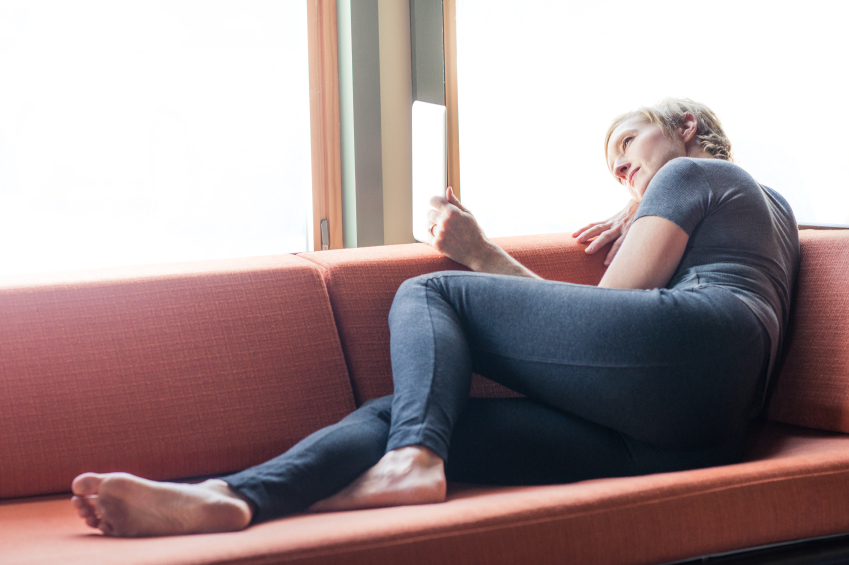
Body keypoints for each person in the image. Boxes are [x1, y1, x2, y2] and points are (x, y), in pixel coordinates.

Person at [71, 98, 800, 537]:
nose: (618, 170)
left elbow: (611, 312)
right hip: (692, 436)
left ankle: (413, 462)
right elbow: (600, 340)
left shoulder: (694, 170)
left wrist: (655, 191)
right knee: (397, 409)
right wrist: (491, 247)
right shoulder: (771, 208)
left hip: (696, 353)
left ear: (686, 124)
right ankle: (230, 497)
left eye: (627, 145)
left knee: (429, 294)